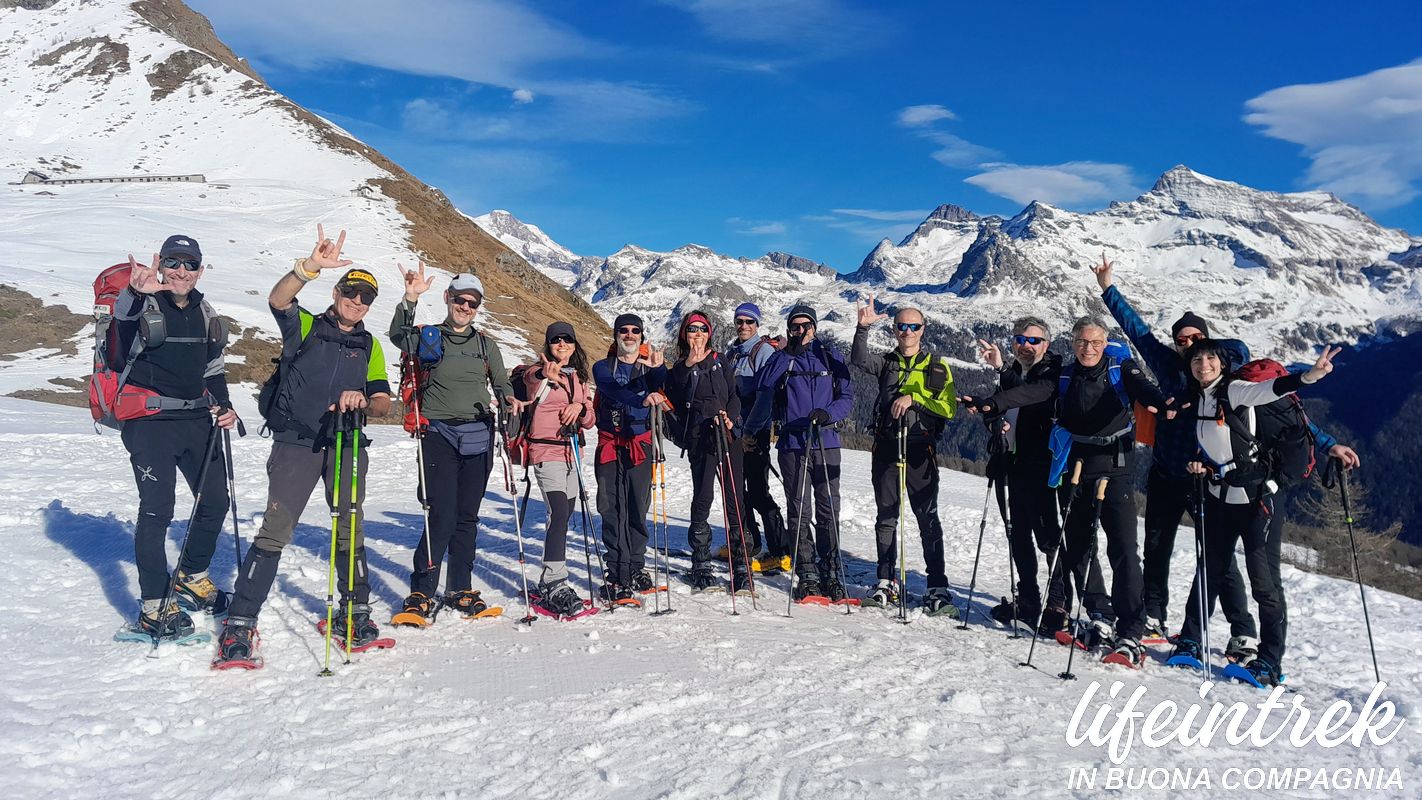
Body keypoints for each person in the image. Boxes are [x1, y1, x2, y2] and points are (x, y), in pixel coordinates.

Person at [1092, 253, 1361, 656]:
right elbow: (1138, 330)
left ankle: (1242, 628)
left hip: (1212, 481)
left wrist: (1327, 441)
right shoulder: (1169, 366)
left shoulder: (1229, 383)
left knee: (1218, 560)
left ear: (1209, 344)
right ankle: (1153, 614)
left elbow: (1279, 410)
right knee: (1157, 547)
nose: (1188, 347)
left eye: (1195, 341)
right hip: (1169, 473)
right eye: (1182, 341)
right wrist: (1108, 288)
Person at [216, 226, 393, 667]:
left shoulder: (369, 344)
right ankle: (240, 623)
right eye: (351, 293)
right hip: (296, 443)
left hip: (347, 444)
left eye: (365, 299)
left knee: (350, 529)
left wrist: (365, 401)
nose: (357, 303)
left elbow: (384, 400)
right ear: (336, 291)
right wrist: (308, 267)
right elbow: (279, 300)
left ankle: (355, 613)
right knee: (276, 531)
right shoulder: (308, 327)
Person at [963, 317, 1171, 668]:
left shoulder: (1121, 368)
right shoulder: (1064, 375)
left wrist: (1160, 404)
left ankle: (1131, 628)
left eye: (1094, 342)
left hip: (1115, 466)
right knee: (1077, 548)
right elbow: (1031, 393)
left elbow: (1144, 390)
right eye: (1081, 342)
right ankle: (1099, 614)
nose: (1087, 348)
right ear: (1073, 343)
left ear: (1104, 344)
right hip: (1076, 467)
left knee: (1122, 549)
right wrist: (992, 403)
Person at [1172, 341, 1341, 687]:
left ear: (1222, 363)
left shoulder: (1235, 390)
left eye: (1210, 358)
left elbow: (1272, 389)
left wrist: (1310, 375)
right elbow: (1218, 445)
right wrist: (1201, 463)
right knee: (1210, 573)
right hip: (1221, 497)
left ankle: (1269, 662)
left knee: (1265, 584)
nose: (1203, 364)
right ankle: (1190, 640)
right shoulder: (1200, 397)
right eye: (1197, 359)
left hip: (1258, 502)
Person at [113, 236, 239, 642]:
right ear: (162, 265)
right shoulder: (143, 303)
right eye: (174, 262)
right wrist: (134, 294)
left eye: (190, 264)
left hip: (196, 419)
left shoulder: (205, 311)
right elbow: (117, 353)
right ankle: (153, 605)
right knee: (157, 510)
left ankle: (191, 575)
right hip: (149, 421)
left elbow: (213, 368)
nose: (181, 271)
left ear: (201, 269)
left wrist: (224, 405)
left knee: (216, 500)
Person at [388, 263, 513, 624]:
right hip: (437, 435)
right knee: (440, 515)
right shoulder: (429, 336)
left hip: (478, 436)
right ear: (448, 298)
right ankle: (421, 592)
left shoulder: (486, 344)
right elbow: (398, 335)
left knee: (467, 518)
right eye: (460, 300)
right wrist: (410, 298)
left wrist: (508, 400)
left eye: (473, 303)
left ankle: (460, 588)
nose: (466, 308)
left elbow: (501, 382)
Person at [976, 317, 1094, 635]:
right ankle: (1028, 599)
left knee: (1049, 538)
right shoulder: (1016, 372)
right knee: (1019, 535)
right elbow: (1005, 411)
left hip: (1044, 468)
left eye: (1034, 341)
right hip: (1013, 465)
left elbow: (1028, 396)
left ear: (1047, 344)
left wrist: (1001, 377)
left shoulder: (1053, 373)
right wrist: (994, 423)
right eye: (1021, 340)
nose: (1026, 346)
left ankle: (1058, 604)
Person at [850, 296, 957, 613]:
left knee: (927, 520)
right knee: (886, 518)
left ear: (923, 330)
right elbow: (858, 359)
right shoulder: (886, 363)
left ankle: (937, 586)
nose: (907, 331)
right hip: (885, 448)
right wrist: (862, 328)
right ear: (895, 330)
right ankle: (885, 582)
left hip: (920, 453)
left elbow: (948, 408)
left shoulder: (938, 369)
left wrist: (915, 399)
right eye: (901, 326)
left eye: (913, 326)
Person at [744, 304, 854, 602]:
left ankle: (830, 569)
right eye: (795, 326)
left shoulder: (830, 356)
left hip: (826, 440)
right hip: (792, 444)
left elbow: (847, 396)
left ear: (815, 327)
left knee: (828, 509)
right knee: (799, 510)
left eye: (806, 325)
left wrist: (828, 414)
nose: (801, 330)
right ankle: (806, 571)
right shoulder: (783, 358)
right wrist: (787, 354)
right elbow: (763, 385)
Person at [665, 310, 753, 593]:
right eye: (693, 330)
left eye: (703, 329)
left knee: (735, 498)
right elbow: (675, 401)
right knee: (703, 496)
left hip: (727, 436)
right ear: (684, 334)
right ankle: (700, 562)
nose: (698, 334)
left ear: (710, 333)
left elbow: (733, 395)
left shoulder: (719, 360)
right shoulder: (679, 369)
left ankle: (740, 564)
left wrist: (731, 418)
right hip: (700, 439)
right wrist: (690, 364)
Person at [523, 321, 597, 617]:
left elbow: (590, 418)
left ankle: (550, 579)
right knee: (559, 512)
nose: (562, 344)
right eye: (556, 340)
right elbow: (531, 380)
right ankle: (555, 579)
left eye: (567, 339)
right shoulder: (538, 373)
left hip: (572, 455)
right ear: (548, 345)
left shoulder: (579, 379)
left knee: (564, 515)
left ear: (575, 345)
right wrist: (544, 373)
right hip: (546, 452)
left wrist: (580, 408)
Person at [591, 313, 667, 602]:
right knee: (611, 507)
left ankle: (636, 566)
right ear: (616, 335)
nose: (630, 335)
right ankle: (616, 571)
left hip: (640, 444)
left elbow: (661, 383)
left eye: (636, 331)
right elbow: (611, 389)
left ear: (642, 336)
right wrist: (641, 397)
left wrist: (657, 371)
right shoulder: (603, 367)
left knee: (637, 505)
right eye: (624, 330)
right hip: (611, 444)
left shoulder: (647, 368)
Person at [723, 302, 788, 574]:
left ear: (757, 324)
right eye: (740, 321)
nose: (744, 326)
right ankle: (747, 543)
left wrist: (751, 432)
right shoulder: (733, 353)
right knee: (739, 492)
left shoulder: (763, 352)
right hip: (734, 431)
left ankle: (781, 549)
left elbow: (766, 397)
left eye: (749, 322)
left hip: (755, 433)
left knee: (758, 491)